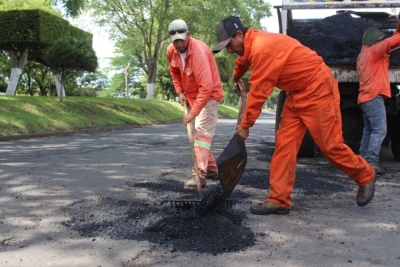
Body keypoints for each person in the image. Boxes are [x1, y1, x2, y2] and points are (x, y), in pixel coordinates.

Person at [212, 16, 376, 215]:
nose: (229, 50)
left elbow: (259, 92)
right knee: (284, 145)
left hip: (318, 89)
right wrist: (236, 76)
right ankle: (279, 200)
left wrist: (245, 125)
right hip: (295, 94)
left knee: (331, 147)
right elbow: (243, 60)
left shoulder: (262, 48)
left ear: (239, 34)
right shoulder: (250, 45)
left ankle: (365, 175)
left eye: (229, 44)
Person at [166, 19, 224, 188]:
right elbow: (174, 72)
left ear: (188, 35)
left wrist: (192, 113)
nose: (178, 44)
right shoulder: (171, 51)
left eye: (181, 40)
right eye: (175, 41)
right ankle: (211, 168)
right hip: (191, 95)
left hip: (209, 96)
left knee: (201, 134)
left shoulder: (198, 52)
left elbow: (206, 87)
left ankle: (199, 174)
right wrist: (179, 92)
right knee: (199, 138)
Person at [357, 25, 400, 172]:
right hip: (373, 97)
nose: (382, 41)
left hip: (366, 98)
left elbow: (392, 47)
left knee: (369, 130)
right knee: (380, 130)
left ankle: (362, 160)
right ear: (372, 41)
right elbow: (389, 44)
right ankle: (371, 161)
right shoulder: (373, 51)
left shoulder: (365, 54)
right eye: (380, 40)